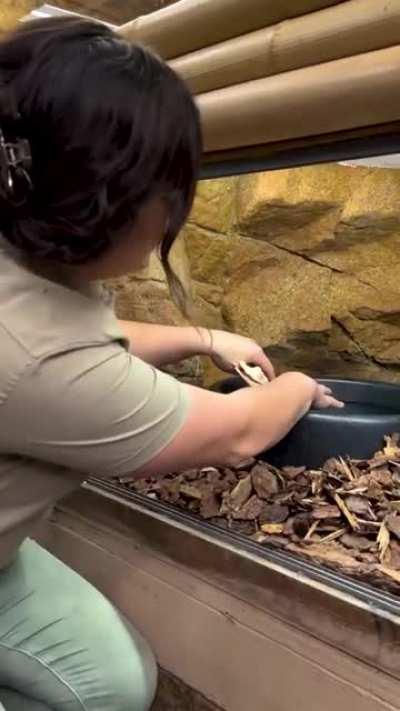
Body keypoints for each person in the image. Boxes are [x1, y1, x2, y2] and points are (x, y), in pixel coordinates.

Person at [0, 16, 343, 711]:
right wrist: (303, 382)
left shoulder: (18, 255)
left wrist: (201, 338)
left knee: (117, 680)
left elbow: (59, 344)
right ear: (109, 202)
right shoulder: (38, 355)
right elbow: (238, 431)